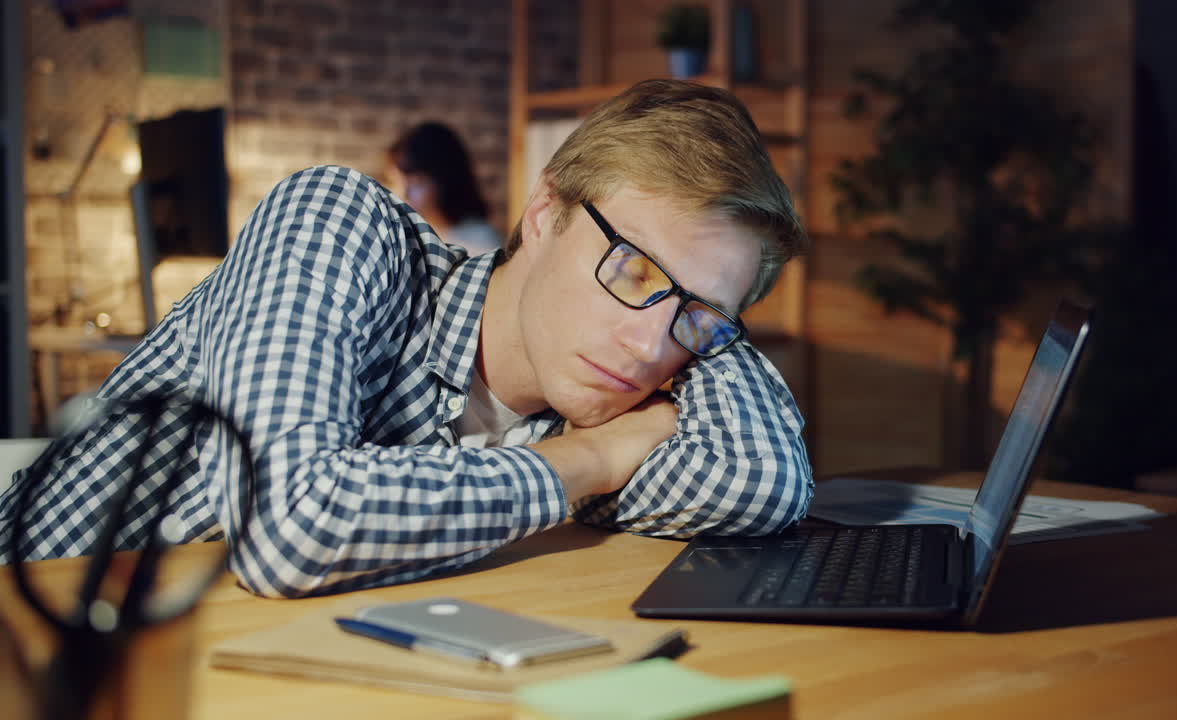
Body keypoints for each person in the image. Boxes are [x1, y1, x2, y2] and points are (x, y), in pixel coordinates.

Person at [0, 79, 812, 598]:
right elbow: (291, 527)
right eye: (632, 270)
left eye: (695, 318)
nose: (646, 347)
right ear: (545, 211)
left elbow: (767, 482)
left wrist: (710, 314)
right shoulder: (338, 221)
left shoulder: (629, 372)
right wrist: (586, 463)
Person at [385, 121, 503, 256]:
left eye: (416, 182)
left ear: (443, 179)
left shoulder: (481, 242)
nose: (402, 193)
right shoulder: (406, 238)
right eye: (394, 181)